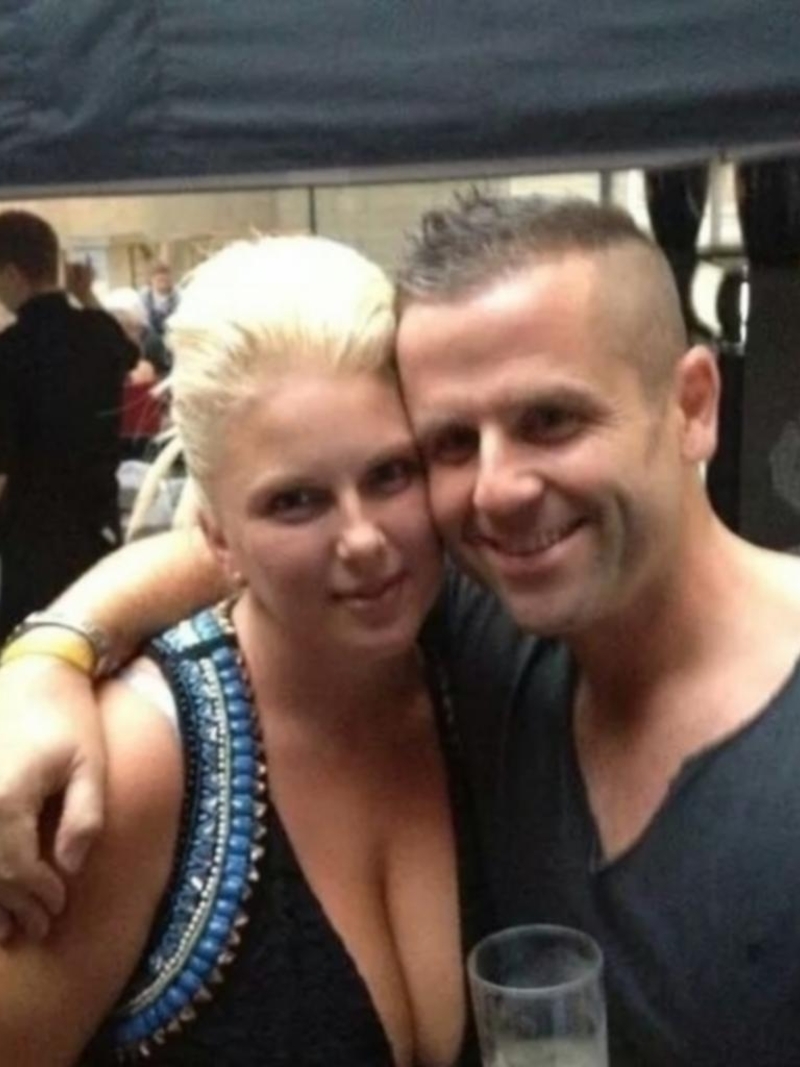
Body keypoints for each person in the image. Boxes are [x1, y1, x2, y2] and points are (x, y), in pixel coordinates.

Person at [0, 193, 799, 1066]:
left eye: (551, 420)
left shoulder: (476, 642)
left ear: (693, 405)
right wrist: (48, 654)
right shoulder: (137, 764)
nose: (497, 489)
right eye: (451, 444)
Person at [0, 235, 483, 1066]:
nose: (365, 539)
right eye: (295, 501)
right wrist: (42, 660)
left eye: (390, 474)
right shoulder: (133, 767)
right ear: (216, 533)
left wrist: (52, 646)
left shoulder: (486, 672)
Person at [0, 211, 138, 640]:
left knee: (29, 650)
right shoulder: (98, 331)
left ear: (12, 274)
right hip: (97, 525)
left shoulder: (9, 352)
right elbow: (129, 354)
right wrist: (86, 295)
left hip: (31, 539)